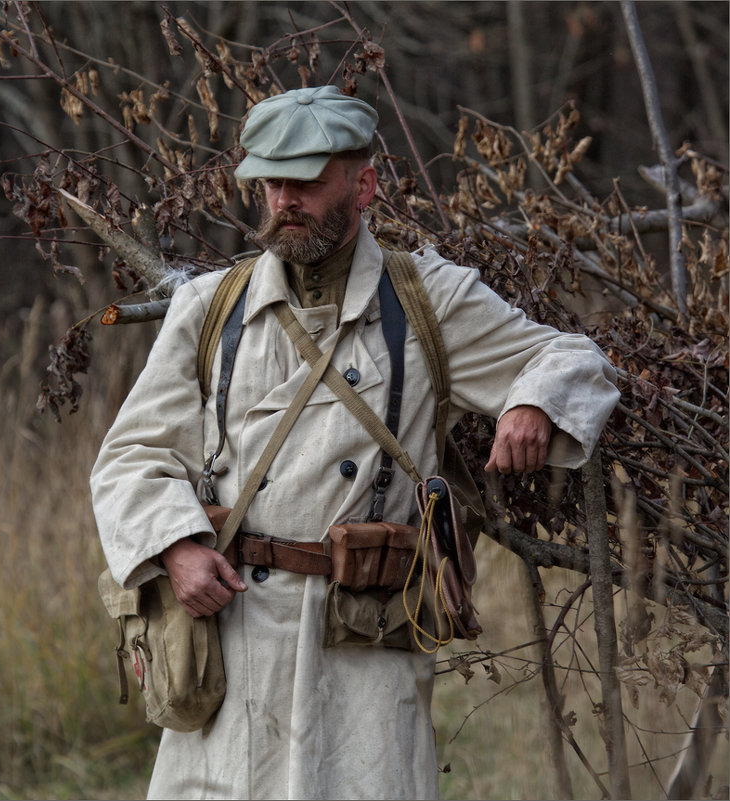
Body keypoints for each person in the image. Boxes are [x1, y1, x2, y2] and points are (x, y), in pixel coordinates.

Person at [90, 85, 619, 800]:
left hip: (364, 642)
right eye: (271, 182)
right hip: (234, 634)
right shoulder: (208, 308)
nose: (284, 199)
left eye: (305, 180)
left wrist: (530, 401)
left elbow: (575, 361)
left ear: (362, 183)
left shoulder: (430, 299)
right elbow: (130, 458)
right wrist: (178, 547)